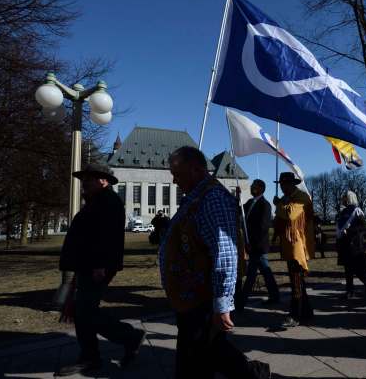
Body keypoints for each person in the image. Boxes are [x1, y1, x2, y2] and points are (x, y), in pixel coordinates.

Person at [159, 146, 270, 379]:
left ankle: (255, 373)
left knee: (197, 355)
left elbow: (225, 252)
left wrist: (222, 302)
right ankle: (254, 373)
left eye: (177, 173)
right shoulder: (197, 196)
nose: (173, 179)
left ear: (195, 169)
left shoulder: (213, 198)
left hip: (203, 296)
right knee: (204, 352)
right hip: (191, 295)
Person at [57, 163, 145, 377]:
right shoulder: (97, 202)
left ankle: (125, 338)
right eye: (83, 178)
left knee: (85, 311)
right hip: (87, 265)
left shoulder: (108, 202)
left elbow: (108, 236)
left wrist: (100, 264)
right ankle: (94, 354)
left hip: (96, 267)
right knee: (83, 312)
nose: (84, 182)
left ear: (103, 181)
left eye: (90, 178)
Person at [272, 172, 315, 328]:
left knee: (296, 280)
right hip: (289, 245)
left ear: (292, 183)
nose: (283, 187)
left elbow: (290, 214)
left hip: (298, 246)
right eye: (281, 184)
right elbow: (279, 219)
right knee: (296, 280)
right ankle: (307, 311)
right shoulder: (286, 199)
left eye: (285, 184)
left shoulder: (301, 197)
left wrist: (278, 205)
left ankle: (295, 315)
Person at [240, 179, 280, 309]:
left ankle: (241, 302)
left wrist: (252, 243)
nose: (251, 188)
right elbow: (239, 209)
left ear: (260, 189)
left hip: (258, 246)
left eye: (253, 187)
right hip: (252, 245)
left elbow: (263, 228)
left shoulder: (265, 205)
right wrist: (237, 196)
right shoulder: (250, 202)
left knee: (251, 274)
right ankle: (275, 296)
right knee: (265, 272)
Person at [336, 191, 366, 299]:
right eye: (343, 198)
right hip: (345, 244)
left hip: (355, 244)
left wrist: (350, 230)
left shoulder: (357, 210)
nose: (343, 199)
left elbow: (363, 226)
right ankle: (349, 291)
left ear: (350, 198)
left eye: (345, 198)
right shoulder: (342, 212)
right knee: (348, 269)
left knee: (358, 270)